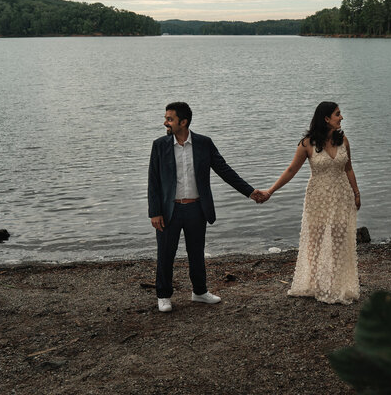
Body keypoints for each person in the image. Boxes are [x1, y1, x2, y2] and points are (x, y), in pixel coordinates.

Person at [148, 102, 268, 313]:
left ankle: (200, 292)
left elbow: (224, 170)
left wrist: (249, 192)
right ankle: (164, 295)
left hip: (196, 208)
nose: (165, 122)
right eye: (166, 118)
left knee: (197, 252)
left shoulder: (204, 143)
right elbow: (153, 181)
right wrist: (154, 212)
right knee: (165, 254)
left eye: (169, 119)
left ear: (183, 122)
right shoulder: (159, 146)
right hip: (169, 211)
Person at [263, 102, 361, 304]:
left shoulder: (343, 141)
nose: (341, 118)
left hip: (342, 195)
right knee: (315, 239)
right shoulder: (307, 144)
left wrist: (356, 192)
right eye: (337, 114)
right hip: (318, 197)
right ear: (326, 118)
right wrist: (270, 190)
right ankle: (317, 283)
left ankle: (335, 284)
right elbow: (291, 170)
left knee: (339, 239)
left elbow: (348, 168)